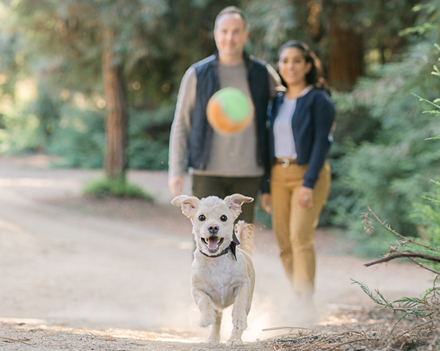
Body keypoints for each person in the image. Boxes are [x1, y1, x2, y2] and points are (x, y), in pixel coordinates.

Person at [168, 6, 280, 224]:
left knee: (241, 243)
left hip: (249, 172)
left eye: (236, 31)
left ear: (245, 35)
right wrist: (176, 169)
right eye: (224, 31)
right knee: (205, 243)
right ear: (215, 34)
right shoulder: (197, 74)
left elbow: (287, 108)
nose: (230, 37)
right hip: (206, 172)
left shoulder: (263, 73)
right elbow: (182, 123)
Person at [260, 40, 335, 305]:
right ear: (279, 65)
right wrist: (265, 187)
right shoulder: (276, 100)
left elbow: (322, 143)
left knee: (299, 236)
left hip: (307, 174)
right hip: (278, 175)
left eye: (295, 60)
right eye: (284, 60)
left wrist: (309, 182)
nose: (289, 66)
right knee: (283, 242)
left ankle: (305, 300)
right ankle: (297, 295)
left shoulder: (318, 98)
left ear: (306, 65)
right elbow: (267, 143)